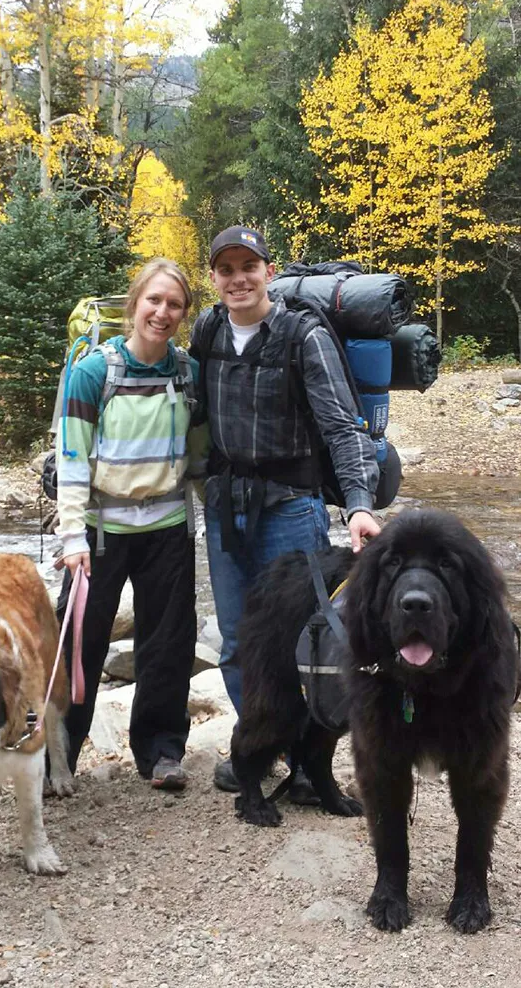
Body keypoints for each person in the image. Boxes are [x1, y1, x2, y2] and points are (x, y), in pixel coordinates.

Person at [189, 226, 381, 795]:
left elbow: (342, 427)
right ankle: (260, 747)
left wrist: (359, 505)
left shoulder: (303, 336)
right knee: (237, 641)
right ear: (215, 278)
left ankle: (306, 764)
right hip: (227, 508)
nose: (238, 278)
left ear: (269, 272)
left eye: (249, 266)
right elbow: (186, 411)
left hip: (294, 509)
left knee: (308, 640)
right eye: (226, 269)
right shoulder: (208, 329)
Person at [53, 258, 207, 791]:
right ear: (134, 303)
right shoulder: (93, 372)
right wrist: (71, 536)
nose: (162, 313)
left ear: (183, 314)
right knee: (78, 644)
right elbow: (73, 460)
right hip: (98, 533)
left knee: (167, 644)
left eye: (174, 305)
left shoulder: (186, 372)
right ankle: (58, 757)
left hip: (167, 526)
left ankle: (162, 752)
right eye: (154, 301)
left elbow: (201, 453)